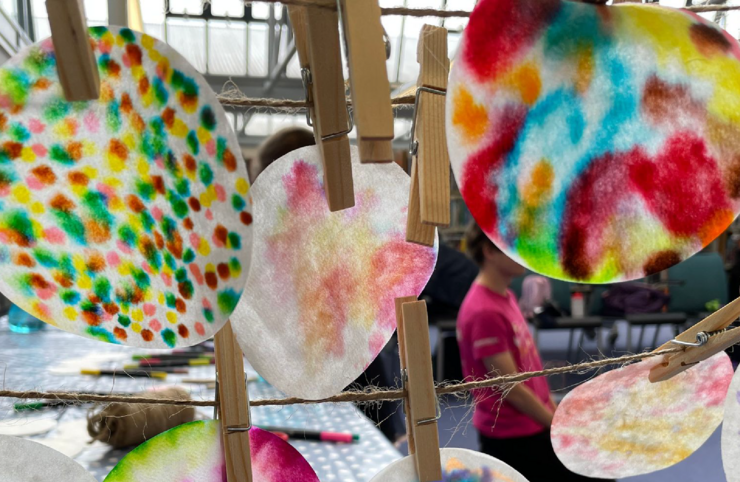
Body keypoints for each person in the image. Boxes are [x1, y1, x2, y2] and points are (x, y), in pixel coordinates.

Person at [457, 222, 608, 482]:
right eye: (514, 248)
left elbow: (531, 369)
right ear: (489, 252)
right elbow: (512, 388)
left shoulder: (505, 297)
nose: (524, 254)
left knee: (598, 464)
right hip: (512, 436)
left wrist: (555, 412)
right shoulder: (484, 311)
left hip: (532, 424)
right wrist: (556, 426)